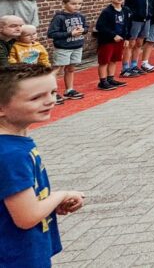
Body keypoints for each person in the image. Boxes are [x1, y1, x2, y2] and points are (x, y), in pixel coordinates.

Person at [0, 63, 85, 267]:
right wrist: (60, 195)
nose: (50, 101)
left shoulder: (16, 143)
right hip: (16, 257)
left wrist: (49, 205)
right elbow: (26, 217)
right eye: (35, 98)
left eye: (53, 92)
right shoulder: (10, 154)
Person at [47, 0, 88, 99]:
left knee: (71, 69)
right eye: (73, 4)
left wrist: (83, 30)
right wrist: (70, 34)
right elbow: (51, 34)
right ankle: (52, 93)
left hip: (77, 46)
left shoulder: (81, 16)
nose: (77, 6)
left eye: (79, 4)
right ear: (64, 4)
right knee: (58, 70)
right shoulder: (59, 18)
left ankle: (69, 90)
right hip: (63, 48)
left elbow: (86, 27)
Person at [94, 0, 129, 90]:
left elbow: (126, 25)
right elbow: (100, 26)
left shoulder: (125, 10)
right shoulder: (107, 12)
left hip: (120, 40)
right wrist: (113, 35)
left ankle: (110, 78)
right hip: (107, 41)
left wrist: (126, 38)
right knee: (104, 61)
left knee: (114, 60)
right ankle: (102, 81)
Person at [122, 0, 154, 77]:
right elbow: (127, 8)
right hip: (135, 21)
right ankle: (125, 67)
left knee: (140, 43)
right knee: (131, 44)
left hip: (147, 21)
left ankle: (134, 65)